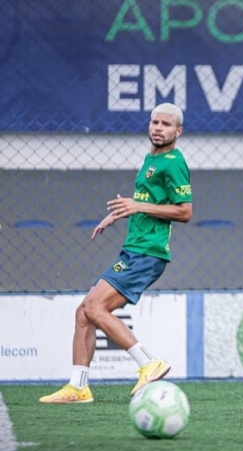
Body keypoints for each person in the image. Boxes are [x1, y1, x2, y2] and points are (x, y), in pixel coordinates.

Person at [39, 103, 193, 403]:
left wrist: (138, 207)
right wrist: (123, 213)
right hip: (135, 247)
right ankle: (78, 386)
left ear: (178, 131)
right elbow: (148, 200)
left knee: (95, 308)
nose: (158, 128)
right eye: (154, 122)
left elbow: (185, 212)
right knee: (84, 311)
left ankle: (149, 363)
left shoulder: (173, 162)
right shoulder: (152, 158)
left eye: (166, 124)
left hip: (148, 252)